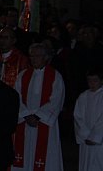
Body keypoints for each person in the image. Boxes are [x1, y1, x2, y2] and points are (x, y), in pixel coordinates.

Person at [12, 43, 65, 171]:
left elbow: (56, 100)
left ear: (46, 57)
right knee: (23, 154)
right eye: (32, 56)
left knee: (44, 158)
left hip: (44, 123)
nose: (33, 58)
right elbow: (16, 97)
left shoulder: (55, 76)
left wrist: (37, 116)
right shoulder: (23, 75)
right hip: (24, 122)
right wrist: (26, 115)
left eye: (37, 56)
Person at [73, 68, 103, 171]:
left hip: (101, 140)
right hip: (86, 139)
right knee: (86, 164)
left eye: (95, 80)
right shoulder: (83, 96)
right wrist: (85, 134)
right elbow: (77, 116)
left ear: (102, 80)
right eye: (89, 80)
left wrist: (94, 136)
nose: (92, 83)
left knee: (100, 164)